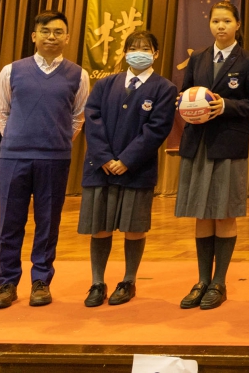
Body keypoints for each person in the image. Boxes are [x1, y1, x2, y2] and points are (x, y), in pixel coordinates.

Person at [0, 10, 90, 310]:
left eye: (58, 32)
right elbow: (2, 113)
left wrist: (56, 141)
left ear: (67, 37)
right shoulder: (11, 71)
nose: (51, 37)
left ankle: (41, 282)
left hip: (55, 159)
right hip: (14, 157)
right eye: (45, 31)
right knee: (9, 223)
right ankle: (7, 283)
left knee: (48, 222)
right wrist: (20, 139)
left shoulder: (79, 75)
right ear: (34, 36)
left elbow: (78, 117)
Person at [175, 1, 249, 310]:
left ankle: (219, 282)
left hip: (228, 145)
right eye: (216, 21)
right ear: (210, 25)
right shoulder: (198, 58)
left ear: (237, 24)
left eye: (227, 21)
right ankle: (202, 280)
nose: (221, 26)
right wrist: (186, 103)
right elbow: (185, 94)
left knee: (224, 212)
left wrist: (226, 105)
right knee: (202, 213)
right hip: (198, 143)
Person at [79, 31, 177, 307]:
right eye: (133, 48)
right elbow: (92, 120)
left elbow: (156, 129)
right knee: (100, 227)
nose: (138, 53)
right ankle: (97, 282)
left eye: (145, 48)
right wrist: (105, 158)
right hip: (100, 168)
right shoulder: (105, 84)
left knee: (134, 228)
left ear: (155, 54)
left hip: (137, 170)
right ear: (124, 53)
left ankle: (128, 280)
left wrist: (126, 160)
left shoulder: (164, 88)